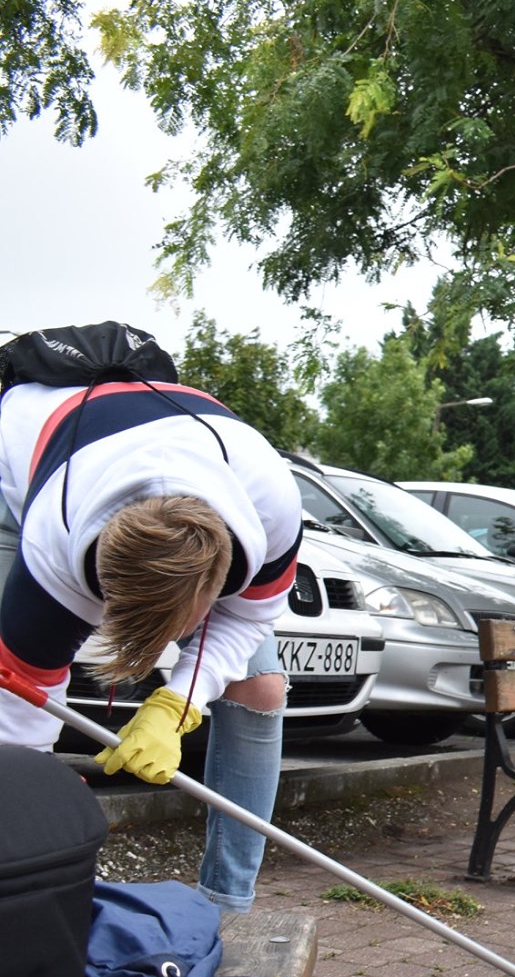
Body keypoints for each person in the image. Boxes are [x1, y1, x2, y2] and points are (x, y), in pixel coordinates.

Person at [0, 365, 302, 913]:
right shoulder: (53, 552)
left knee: (261, 688)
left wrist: (175, 704)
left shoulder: (272, 507)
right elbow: (23, 713)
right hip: (27, 449)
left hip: (207, 457)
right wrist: (37, 815)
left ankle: (227, 905)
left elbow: (247, 621)